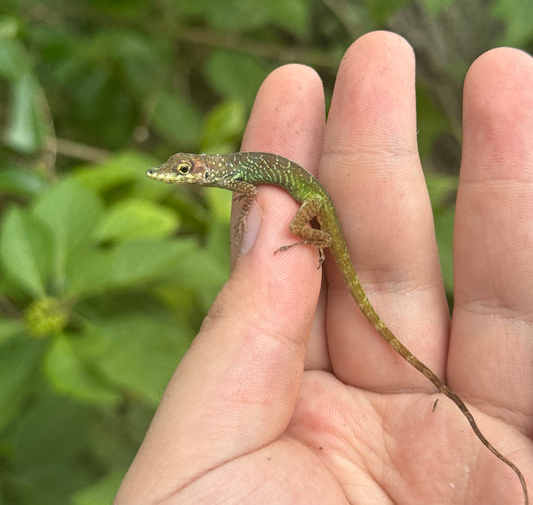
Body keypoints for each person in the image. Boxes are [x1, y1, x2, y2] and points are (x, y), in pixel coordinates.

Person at [115, 31, 532, 504]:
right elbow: (247, 191)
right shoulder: (230, 171)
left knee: (294, 232)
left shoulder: (232, 173)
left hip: (314, 201)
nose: (178, 176)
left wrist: (257, 232)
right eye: (179, 171)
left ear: (202, 169)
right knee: (339, 279)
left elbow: (249, 195)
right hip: (312, 196)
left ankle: (314, 241)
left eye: (184, 171)